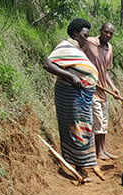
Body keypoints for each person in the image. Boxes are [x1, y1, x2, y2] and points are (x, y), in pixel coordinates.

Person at [42, 18, 99, 177]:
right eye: (84, 36)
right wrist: (71, 77)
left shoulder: (76, 48)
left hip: (81, 97)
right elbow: (48, 64)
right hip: (71, 96)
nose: (86, 39)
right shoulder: (65, 46)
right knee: (77, 128)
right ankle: (79, 166)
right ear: (75, 33)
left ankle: (82, 164)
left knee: (84, 127)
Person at [83, 22, 119, 161]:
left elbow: (106, 71)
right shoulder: (90, 42)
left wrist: (113, 88)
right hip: (91, 89)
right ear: (101, 31)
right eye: (106, 32)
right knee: (98, 120)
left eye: (111, 33)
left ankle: (104, 149)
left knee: (104, 122)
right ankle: (98, 151)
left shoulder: (110, 48)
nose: (108, 35)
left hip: (103, 90)